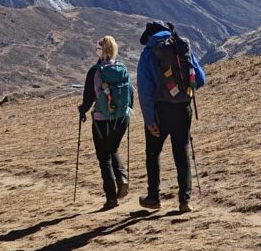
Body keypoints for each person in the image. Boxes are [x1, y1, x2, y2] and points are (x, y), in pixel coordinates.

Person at [136, 21, 206, 213]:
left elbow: (145, 92)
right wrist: (182, 93)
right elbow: (200, 78)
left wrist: (150, 120)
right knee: (182, 153)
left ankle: (154, 197)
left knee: (153, 154)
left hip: (160, 111)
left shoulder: (148, 54)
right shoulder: (182, 48)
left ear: (149, 36)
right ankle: (185, 201)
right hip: (183, 109)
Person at [78, 35, 133, 210]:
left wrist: (82, 110)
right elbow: (130, 93)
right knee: (113, 148)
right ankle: (122, 177)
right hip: (122, 118)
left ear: (101, 50)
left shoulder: (95, 71)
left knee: (104, 158)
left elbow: (88, 98)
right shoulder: (122, 68)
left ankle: (111, 198)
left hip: (102, 120)